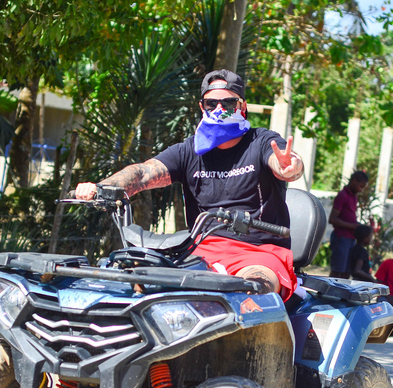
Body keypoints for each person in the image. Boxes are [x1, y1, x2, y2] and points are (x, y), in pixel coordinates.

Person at [75, 69, 304, 299]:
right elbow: (144, 172)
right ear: (202, 106)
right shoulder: (190, 150)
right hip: (198, 252)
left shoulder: (261, 141)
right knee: (139, 284)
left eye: (229, 103)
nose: (219, 109)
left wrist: (290, 167)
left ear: (242, 107)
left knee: (250, 292)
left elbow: (283, 161)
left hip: (258, 253)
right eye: (211, 103)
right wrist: (102, 187)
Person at [328, 171, 368, 279]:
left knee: (346, 272)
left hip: (350, 239)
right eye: (361, 186)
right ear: (354, 181)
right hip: (341, 238)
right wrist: (353, 226)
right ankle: (329, 294)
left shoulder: (354, 197)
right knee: (337, 271)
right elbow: (332, 219)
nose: (361, 190)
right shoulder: (342, 195)